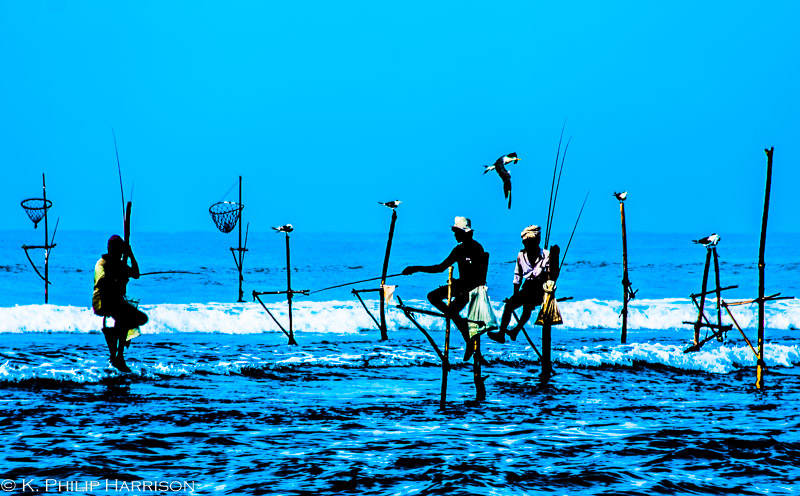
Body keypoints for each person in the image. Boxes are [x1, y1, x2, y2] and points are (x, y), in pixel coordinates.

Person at [402, 216, 488, 359]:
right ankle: (464, 333)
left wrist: (463, 287)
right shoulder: (458, 249)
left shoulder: (477, 248)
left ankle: (468, 339)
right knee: (433, 296)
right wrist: (415, 268)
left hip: (473, 289)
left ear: (463, 233)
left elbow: (479, 277)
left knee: (452, 311)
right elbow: (440, 267)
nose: (454, 235)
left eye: (456, 232)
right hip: (461, 286)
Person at [488, 225, 558, 344]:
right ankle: (502, 333)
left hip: (541, 288)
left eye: (530, 242)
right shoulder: (521, 255)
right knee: (509, 305)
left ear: (537, 242)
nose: (527, 245)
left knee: (527, 307)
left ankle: (515, 330)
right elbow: (517, 275)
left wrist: (554, 258)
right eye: (525, 242)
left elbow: (552, 276)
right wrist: (515, 295)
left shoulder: (546, 254)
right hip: (527, 286)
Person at [92, 235, 148, 372]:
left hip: (117, 301)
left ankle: (115, 346)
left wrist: (131, 254)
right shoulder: (102, 263)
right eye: (118, 250)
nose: (119, 253)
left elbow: (136, 274)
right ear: (111, 250)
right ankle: (118, 356)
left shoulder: (120, 264)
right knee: (123, 317)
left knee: (140, 318)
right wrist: (118, 279)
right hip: (103, 301)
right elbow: (103, 281)